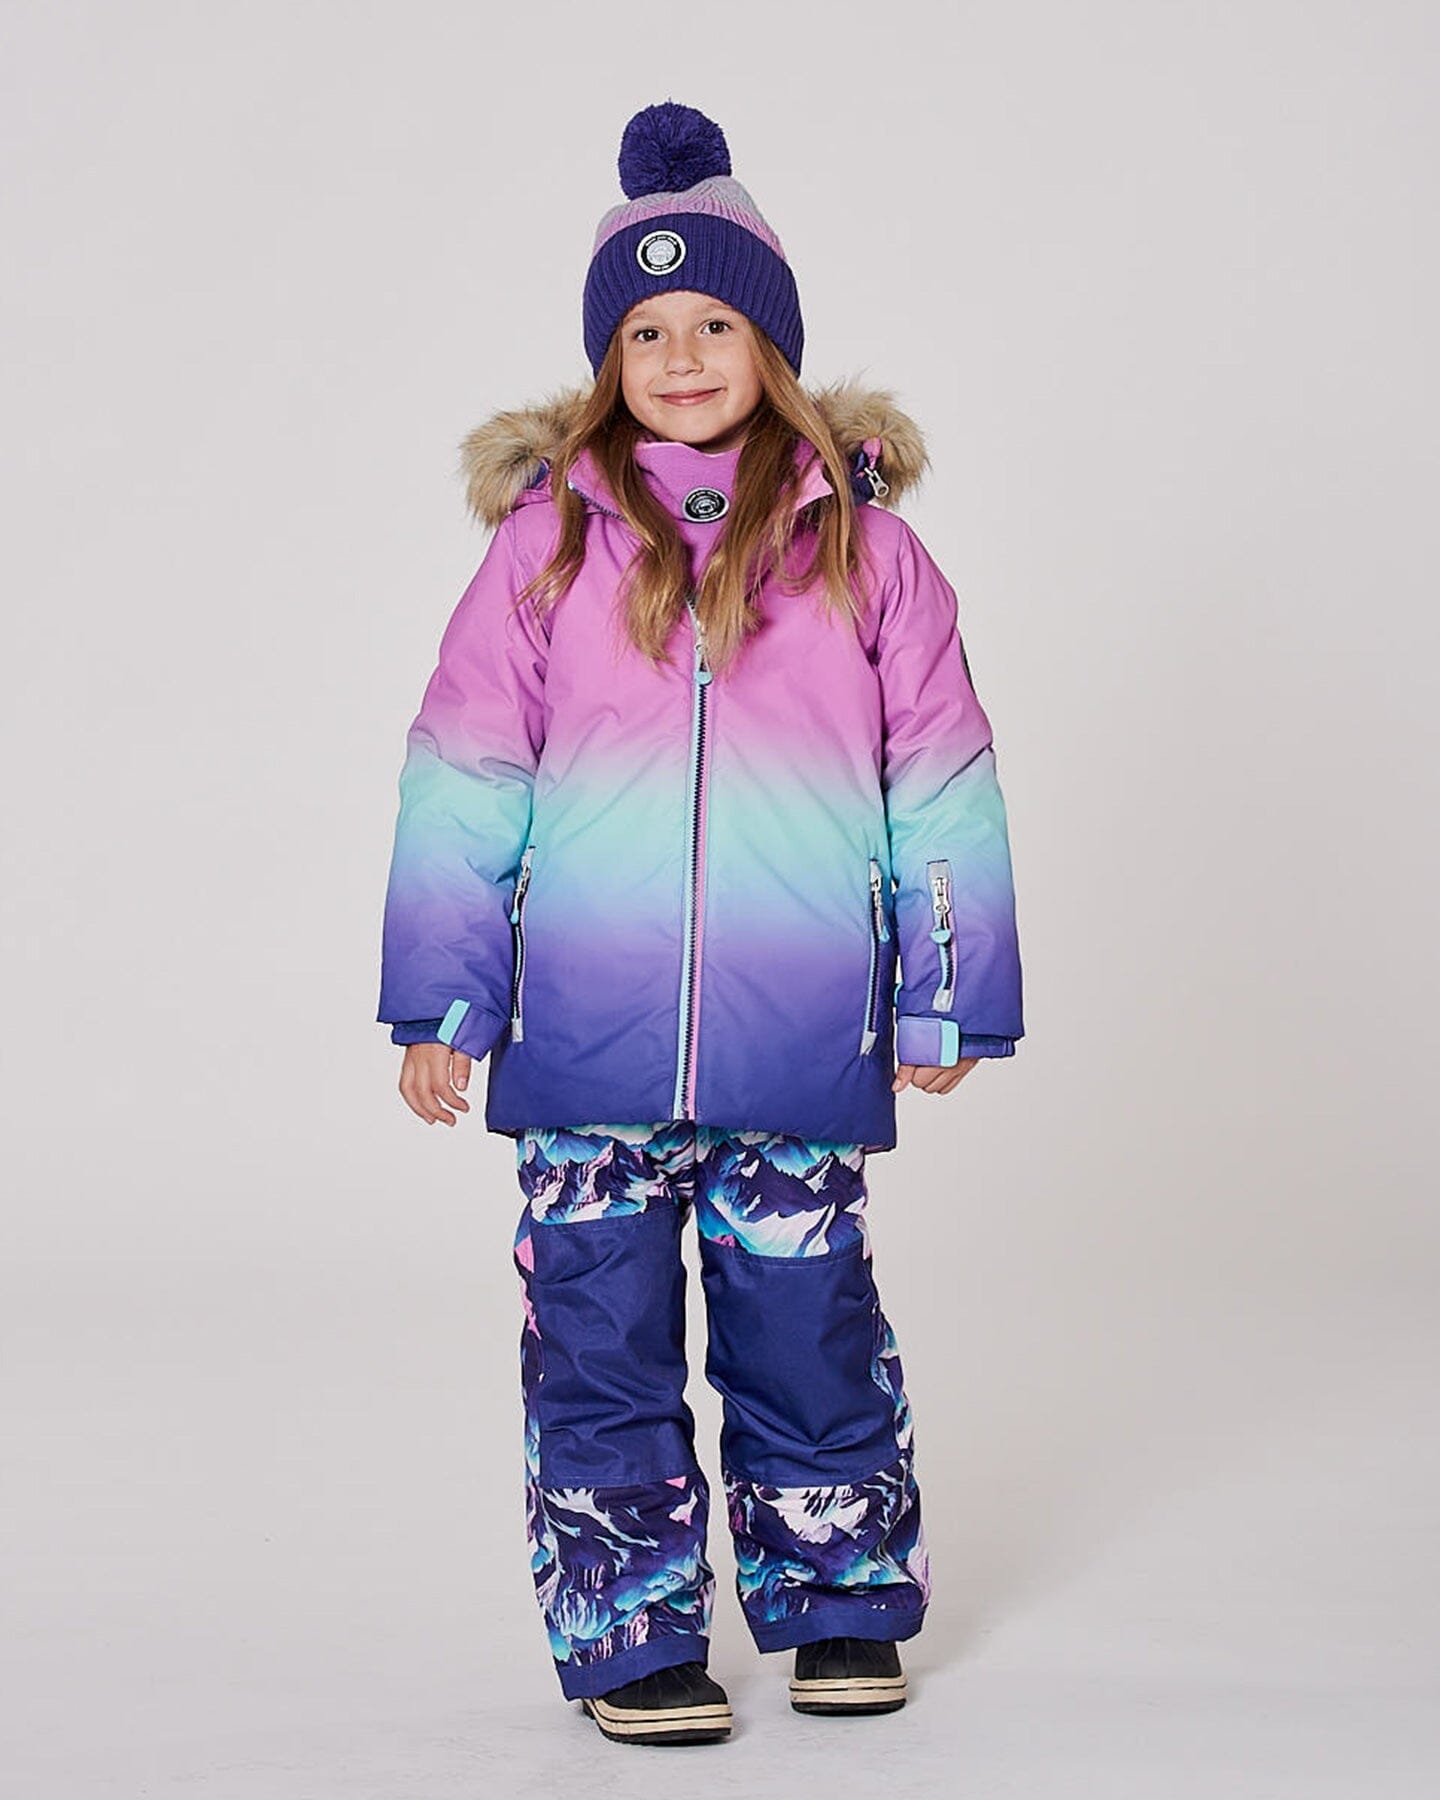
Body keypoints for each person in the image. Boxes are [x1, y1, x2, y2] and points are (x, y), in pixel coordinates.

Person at [375, 100, 1024, 1746]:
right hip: (584, 1043)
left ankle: (840, 1604)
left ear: (771, 345)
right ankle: (632, 1630)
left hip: (796, 1035)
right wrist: (444, 999)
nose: (680, 357)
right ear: (609, 360)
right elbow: (466, 776)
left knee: (809, 1331)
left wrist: (946, 994)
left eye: (714, 324)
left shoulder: (869, 556)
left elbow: (942, 783)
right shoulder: (544, 548)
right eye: (647, 330)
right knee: (598, 1343)